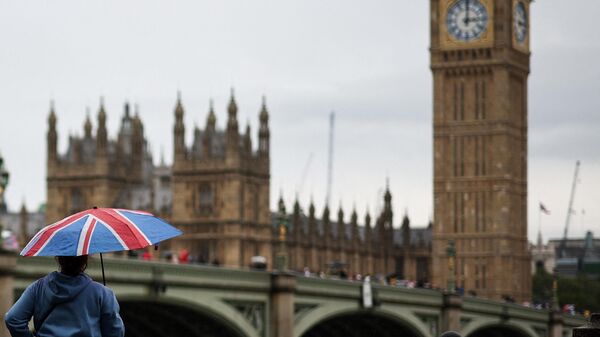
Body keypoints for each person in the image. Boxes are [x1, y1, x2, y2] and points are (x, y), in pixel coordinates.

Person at [4, 255, 124, 337]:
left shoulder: (38, 287)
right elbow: (115, 332)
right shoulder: (103, 293)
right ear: (85, 260)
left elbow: (13, 319)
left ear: (59, 259)